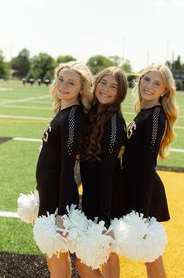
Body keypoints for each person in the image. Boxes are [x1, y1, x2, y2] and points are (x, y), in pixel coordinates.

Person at [35, 61, 93, 278]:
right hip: (49, 193)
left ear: (82, 88)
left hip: (58, 200)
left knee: (58, 261)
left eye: (71, 82)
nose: (63, 86)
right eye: (61, 79)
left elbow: (69, 167)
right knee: (53, 259)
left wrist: (61, 212)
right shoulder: (64, 111)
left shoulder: (72, 118)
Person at [122, 63, 178, 278]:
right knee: (147, 254)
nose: (149, 86)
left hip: (144, 192)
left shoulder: (155, 116)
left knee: (150, 254)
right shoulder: (143, 112)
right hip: (134, 187)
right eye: (146, 79)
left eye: (157, 83)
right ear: (139, 80)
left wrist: (142, 212)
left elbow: (147, 164)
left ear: (165, 90)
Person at [75, 66, 128, 278]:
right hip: (93, 195)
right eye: (103, 83)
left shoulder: (114, 121)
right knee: (108, 255)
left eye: (113, 86)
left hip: (106, 200)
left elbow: (107, 173)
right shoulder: (94, 113)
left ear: (120, 93)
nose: (106, 89)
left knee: (84, 261)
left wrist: (104, 220)